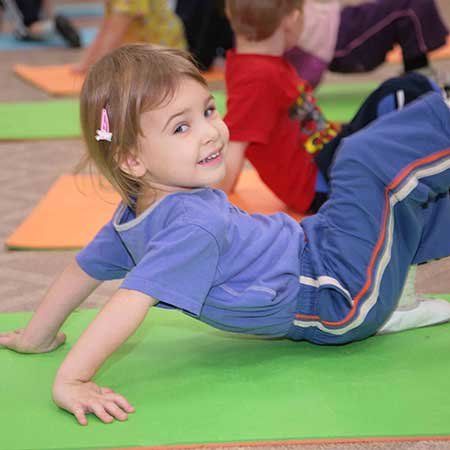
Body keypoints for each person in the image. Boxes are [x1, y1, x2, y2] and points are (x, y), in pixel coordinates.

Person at [1, 44, 450, 426]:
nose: (213, 132)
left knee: (413, 202)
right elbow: (126, 302)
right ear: (132, 160)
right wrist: (72, 380)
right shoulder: (191, 228)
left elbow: (80, 272)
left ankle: (397, 287)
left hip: (321, 248)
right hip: (339, 294)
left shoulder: (134, 217)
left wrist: (36, 336)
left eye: (208, 110)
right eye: (182, 126)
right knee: (364, 159)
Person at [221, 0, 442, 214]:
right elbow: (237, 142)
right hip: (323, 183)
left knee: (401, 95)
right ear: (294, 18)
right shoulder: (255, 77)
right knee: (401, 92)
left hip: (328, 160)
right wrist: (217, 199)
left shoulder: (261, 64)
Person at [285, 0, 449, 89]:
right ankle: (419, 81)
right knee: (411, 6)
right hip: (338, 41)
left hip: (337, 19)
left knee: (411, 5)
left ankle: (419, 79)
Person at [71, 0, 186, 74]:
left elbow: (113, 34)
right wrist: (85, 64)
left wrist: (95, 70)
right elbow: (106, 27)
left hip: (163, 54)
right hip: (140, 52)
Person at [0, 0, 81, 47]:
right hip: (30, 26)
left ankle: (54, 25)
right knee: (30, 28)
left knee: (28, 29)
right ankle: (54, 25)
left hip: (27, 27)